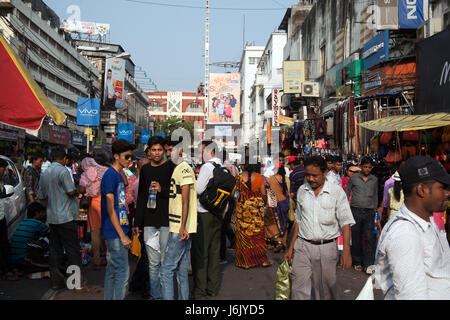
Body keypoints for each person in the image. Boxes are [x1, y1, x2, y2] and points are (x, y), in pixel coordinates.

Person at [374, 156, 450, 299]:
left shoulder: (428, 220)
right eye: (442, 187)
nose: (447, 193)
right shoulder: (405, 234)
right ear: (421, 190)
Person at [284, 156, 355, 300]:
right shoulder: (302, 191)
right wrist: (291, 248)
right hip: (302, 246)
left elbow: (346, 222)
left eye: (314, 175)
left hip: (327, 248)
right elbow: (298, 220)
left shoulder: (336, 192)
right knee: (298, 290)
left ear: (324, 173)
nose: (310, 179)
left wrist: (346, 251)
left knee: (324, 292)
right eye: (307, 175)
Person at [134, 135, 172, 300]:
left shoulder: (171, 168)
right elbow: (141, 196)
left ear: (164, 151)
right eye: (154, 150)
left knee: (165, 261)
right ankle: (155, 295)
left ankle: (165, 294)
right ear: (149, 152)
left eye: (159, 150)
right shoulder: (146, 170)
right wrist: (137, 222)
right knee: (153, 263)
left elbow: (176, 194)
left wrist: (161, 190)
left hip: (166, 221)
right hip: (149, 221)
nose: (157, 153)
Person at [38, 147, 81, 290]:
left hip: (52, 217)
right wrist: (80, 190)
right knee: (72, 249)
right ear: (64, 159)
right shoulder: (63, 171)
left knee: (55, 250)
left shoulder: (45, 173)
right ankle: (74, 282)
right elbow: (71, 191)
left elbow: (41, 197)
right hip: (66, 217)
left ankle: (55, 282)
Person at [160, 139, 197, 300]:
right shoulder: (177, 169)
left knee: (166, 271)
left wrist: (182, 227)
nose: (168, 154)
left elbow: (185, 200)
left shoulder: (184, 169)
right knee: (181, 273)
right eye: (166, 151)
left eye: (171, 150)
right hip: (180, 227)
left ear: (180, 150)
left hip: (179, 229)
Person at [101, 139, 136, 300]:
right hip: (115, 232)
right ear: (116, 156)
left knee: (113, 272)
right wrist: (122, 236)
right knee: (122, 272)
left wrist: (123, 169)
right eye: (126, 157)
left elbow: (126, 183)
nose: (130, 160)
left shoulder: (116, 174)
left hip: (117, 230)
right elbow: (110, 209)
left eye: (131, 157)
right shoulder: (110, 176)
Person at [191, 141, 224, 299]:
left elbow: (198, 189)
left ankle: (200, 290)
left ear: (210, 152)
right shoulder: (224, 167)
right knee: (214, 251)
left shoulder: (207, 167)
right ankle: (212, 287)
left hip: (203, 213)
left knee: (201, 252)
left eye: (201, 151)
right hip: (218, 213)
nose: (200, 154)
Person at [234, 163, 272, 270]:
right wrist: (266, 202)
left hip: (243, 211)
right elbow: (263, 193)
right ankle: (263, 260)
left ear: (244, 166)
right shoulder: (260, 177)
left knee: (244, 234)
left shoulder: (239, 177)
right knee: (258, 234)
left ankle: (246, 262)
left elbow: (233, 193)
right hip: (256, 211)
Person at [345, 156, 378, 274]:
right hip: (355, 211)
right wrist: (346, 209)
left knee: (370, 238)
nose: (367, 169)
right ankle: (357, 261)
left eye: (369, 167)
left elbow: (375, 196)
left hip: (369, 212)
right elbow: (347, 192)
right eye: (365, 167)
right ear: (361, 167)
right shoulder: (353, 178)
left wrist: (375, 210)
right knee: (356, 236)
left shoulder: (374, 180)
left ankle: (368, 263)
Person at [79, 157, 108, 270]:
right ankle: (107, 256)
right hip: (106, 202)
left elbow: (81, 189)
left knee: (95, 232)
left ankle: (96, 261)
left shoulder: (85, 174)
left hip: (93, 203)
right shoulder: (104, 170)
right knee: (106, 231)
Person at [128, 157, 151, 299]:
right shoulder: (140, 184)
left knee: (145, 256)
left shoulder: (138, 183)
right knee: (146, 256)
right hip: (143, 219)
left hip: (142, 218)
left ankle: (136, 284)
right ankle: (144, 288)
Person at [10, 202, 49, 270]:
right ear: (37, 213)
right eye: (43, 212)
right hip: (24, 258)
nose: (44, 214)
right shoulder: (37, 223)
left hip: (14, 259)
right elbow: (50, 232)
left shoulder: (23, 222)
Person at [0, 158, 19, 281]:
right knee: (2, 245)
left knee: (4, 243)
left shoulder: (1, 181)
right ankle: (6, 270)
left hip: (1, 216)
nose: (5, 172)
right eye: (3, 169)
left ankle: (8, 268)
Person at [265, 164, 290, 252]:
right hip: (284, 202)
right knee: (284, 224)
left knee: (272, 223)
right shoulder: (285, 178)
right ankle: (283, 242)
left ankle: (278, 241)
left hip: (275, 203)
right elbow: (287, 192)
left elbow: (270, 192)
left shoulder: (272, 178)